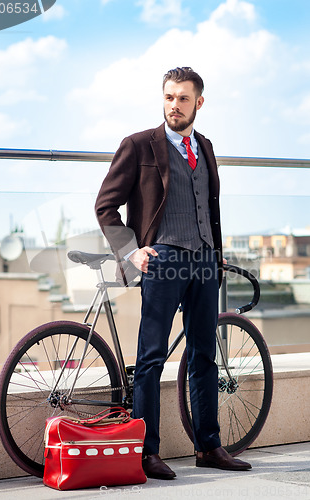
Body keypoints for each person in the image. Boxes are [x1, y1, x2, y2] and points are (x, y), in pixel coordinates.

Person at [95, 67, 251, 479]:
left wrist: (215, 257)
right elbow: (105, 206)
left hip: (203, 261)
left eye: (183, 98)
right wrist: (131, 252)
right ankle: (147, 452)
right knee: (151, 357)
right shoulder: (138, 145)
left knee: (204, 357)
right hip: (162, 260)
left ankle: (209, 447)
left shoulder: (206, 147)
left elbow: (209, 207)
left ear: (198, 103)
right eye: (169, 97)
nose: (174, 105)